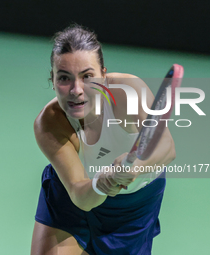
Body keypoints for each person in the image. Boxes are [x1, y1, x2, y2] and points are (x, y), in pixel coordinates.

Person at [31, 24, 176, 255]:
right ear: (53, 79)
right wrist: (103, 181)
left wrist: (134, 168)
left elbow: (166, 147)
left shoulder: (128, 92)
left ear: (104, 76)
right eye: (64, 78)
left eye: (87, 76)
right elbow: (81, 196)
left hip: (133, 208)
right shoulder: (49, 123)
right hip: (72, 197)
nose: (76, 89)